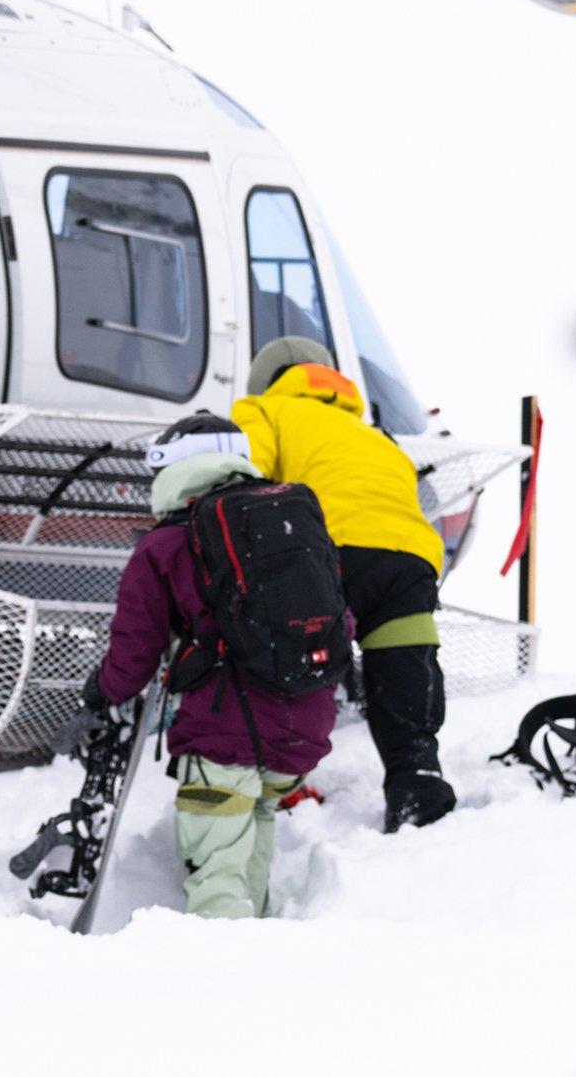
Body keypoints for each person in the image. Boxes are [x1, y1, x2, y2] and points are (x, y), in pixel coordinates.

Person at [87, 422, 340, 919]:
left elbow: (136, 650)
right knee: (257, 814)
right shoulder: (289, 526)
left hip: (228, 725)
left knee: (217, 865)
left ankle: (223, 972)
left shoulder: (164, 544)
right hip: (306, 719)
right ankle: (258, 940)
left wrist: (101, 691)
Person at [233, 335, 457, 831]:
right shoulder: (375, 436)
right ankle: (418, 781)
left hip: (325, 551)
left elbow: (243, 476)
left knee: (293, 661)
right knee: (404, 665)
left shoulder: (264, 411)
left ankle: (283, 782)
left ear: (266, 383)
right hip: (408, 556)